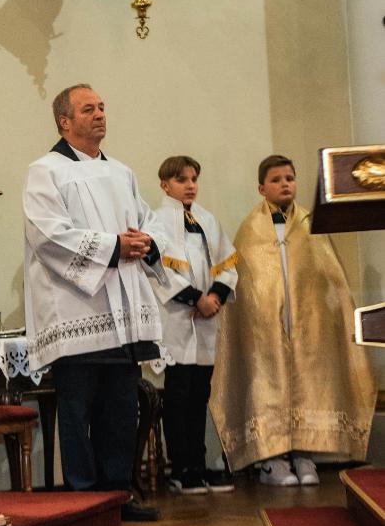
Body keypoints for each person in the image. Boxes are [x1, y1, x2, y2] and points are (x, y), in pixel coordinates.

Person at [22, 83, 166, 521]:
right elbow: (48, 234)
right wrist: (114, 246)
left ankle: (117, 496)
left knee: (120, 410)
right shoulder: (45, 171)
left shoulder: (121, 172)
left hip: (124, 314)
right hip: (77, 311)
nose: (100, 114)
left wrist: (145, 241)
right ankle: (84, 502)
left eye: (102, 107)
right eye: (88, 109)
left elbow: (148, 220)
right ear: (64, 122)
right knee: (78, 412)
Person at [210, 155, 375, 486]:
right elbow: (246, 283)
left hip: (308, 326)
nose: (285, 184)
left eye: (289, 178)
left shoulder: (312, 225)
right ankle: (271, 460)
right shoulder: (249, 230)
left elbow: (330, 279)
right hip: (265, 328)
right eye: (276, 179)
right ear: (261, 188)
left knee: (307, 381)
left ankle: (303, 454)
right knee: (267, 382)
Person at [148, 156, 237, 495]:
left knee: (200, 394)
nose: (190, 186)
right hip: (177, 319)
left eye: (193, 179)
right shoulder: (156, 222)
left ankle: (198, 464)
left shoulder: (207, 220)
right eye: (181, 180)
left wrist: (215, 296)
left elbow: (228, 265)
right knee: (178, 395)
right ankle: (181, 466)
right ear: (165, 185)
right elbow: (158, 272)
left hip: (206, 321)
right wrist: (196, 298)